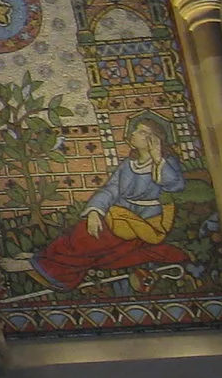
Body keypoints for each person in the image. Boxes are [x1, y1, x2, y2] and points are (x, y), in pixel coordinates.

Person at [26, 114, 192, 291]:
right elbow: (111, 189)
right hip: (117, 217)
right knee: (82, 230)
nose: (133, 133)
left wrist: (158, 159)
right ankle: (42, 259)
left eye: (142, 132)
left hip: (141, 225)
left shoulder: (165, 164)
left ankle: (56, 274)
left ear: (155, 140)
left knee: (91, 242)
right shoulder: (128, 164)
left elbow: (175, 185)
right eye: (136, 130)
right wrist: (94, 212)